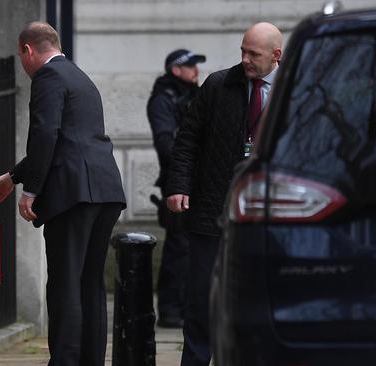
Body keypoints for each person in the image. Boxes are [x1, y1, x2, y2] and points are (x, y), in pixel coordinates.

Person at [0, 21, 126, 366]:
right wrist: (13, 176)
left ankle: (65, 360)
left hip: (72, 195)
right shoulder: (80, 77)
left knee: (64, 283)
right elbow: (69, 141)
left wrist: (30, 190)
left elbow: (46, 135)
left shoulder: (47, 78)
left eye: (22, 57)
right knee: (90, 283)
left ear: (27, 50)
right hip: (104, 190)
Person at [165, 22, 282, 366]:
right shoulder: (218, 85)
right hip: (213, 212)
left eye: (254, 54)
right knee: (202, 303)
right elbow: (188, 139)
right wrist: (178, 186)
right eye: (243, 51)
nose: (245, 59)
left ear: (276, 55)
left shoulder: (295, 91)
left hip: (269, 217)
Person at [147, 48, 205, 328]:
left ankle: (188, 307)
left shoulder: (198, 95)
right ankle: (171, 309)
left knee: (195, 248)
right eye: (191, 65)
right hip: (178, 182)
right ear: (175, 69)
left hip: (200, 182)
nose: (196, 70)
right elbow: (165, 144)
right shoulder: (163, 99)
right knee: (178, 249)